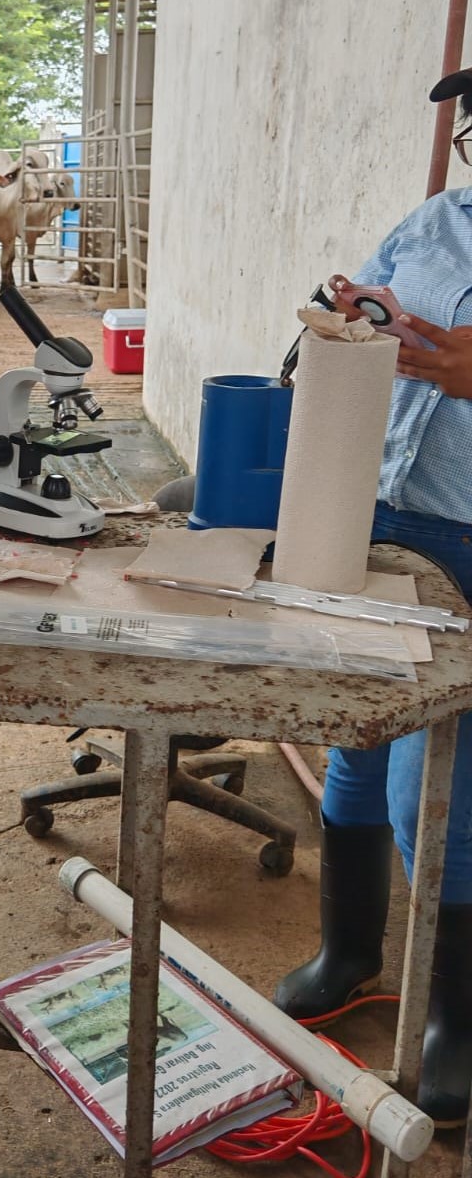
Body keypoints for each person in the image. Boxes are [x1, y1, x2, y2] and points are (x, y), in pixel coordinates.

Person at [273, 70, 472, 1127]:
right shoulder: (439, 219)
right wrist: (361, 312)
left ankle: (454, 1017)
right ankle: (348, 948)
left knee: (447, 787)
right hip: (391, 517)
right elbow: (381, 313)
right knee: (355, 737)